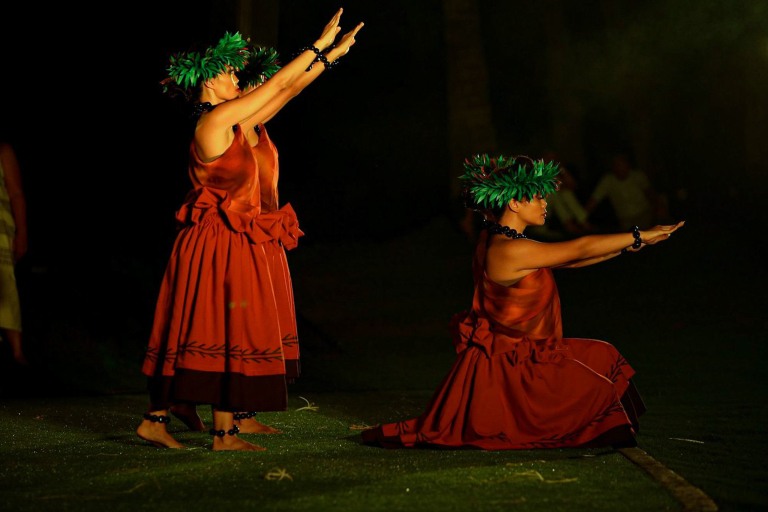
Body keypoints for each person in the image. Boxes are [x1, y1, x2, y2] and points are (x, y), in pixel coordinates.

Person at [136, 8, 364, 451]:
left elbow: (288, 90)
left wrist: (333, 55)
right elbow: (278, 83)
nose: (237, 78)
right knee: (221, 329)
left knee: (231, 328)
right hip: (218, 241)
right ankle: (219, 433)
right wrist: (317, 44)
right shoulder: (215, 123)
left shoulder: (240, 122)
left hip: (244, 237)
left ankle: (216, 419)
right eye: (228, 74)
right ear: (206, 81)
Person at [361, 154, 684, 450]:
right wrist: (640, 235)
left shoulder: (505, 240)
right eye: (538, 197)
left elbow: (569, 260)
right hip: (516, 368)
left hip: (529, 353)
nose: (546, 203)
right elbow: (579, 248)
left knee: (604, 355)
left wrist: (626, 247)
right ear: (514, 203)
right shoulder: (507, 250)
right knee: (598, 387)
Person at [584, 152, 667, 231]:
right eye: (617, 165)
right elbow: (594, 200)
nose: (620, 168)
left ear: (628, 165)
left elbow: (650, 193)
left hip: (643, 215)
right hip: (625, 220)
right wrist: (582, 217)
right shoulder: (607, 181)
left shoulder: (638, 176)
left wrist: (659, 206)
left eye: (623, 164)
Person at [0, 141, 28, 366]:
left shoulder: (2, 150)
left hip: (1, 233)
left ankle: (17, 355)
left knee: (6, 290)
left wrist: (22, 233)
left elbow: (16, 192)